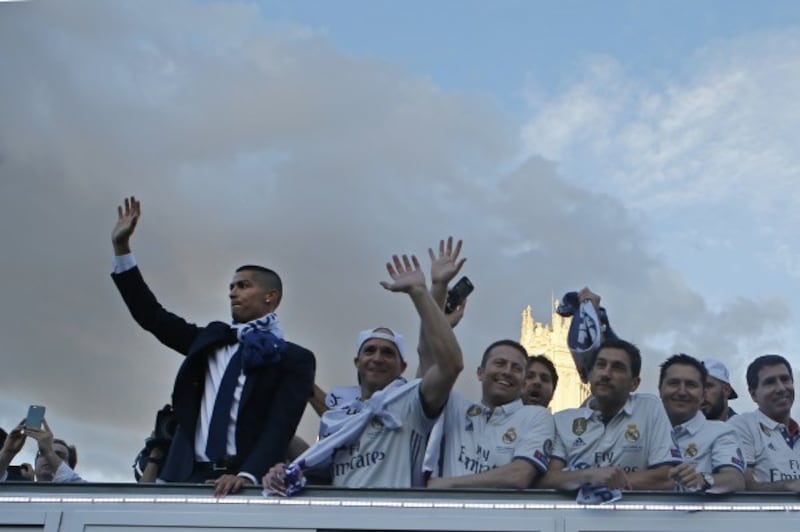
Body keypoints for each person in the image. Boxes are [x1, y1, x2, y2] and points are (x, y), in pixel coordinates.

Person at [110, 196, 315, 496]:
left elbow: (280, 427)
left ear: (270, 296)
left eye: (243, 286)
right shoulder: (210, 340)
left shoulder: (293, 358)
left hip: (244, 482)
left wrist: (247, 475)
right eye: (231, 286)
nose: (233, 292)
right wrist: (121, 249)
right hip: (184, 475)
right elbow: (151, 316)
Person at [263, 253, 463, 494]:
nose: (377, 358)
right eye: (370, 351)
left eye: (388, 353)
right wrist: (281, 467)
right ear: (357, 362)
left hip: (393, 521)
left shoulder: (411, 404)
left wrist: (425, 291)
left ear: (403, 368)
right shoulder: (337, 418)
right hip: (341, 521)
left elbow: (444, 362)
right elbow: (318, 466)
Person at [540, 338, 680, 491]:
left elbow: (668, 477)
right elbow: (547, 479)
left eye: (618, 368)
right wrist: (588, 476)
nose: (606, 374)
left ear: (634, 383)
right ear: (590, 375)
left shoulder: (650, 408)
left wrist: (609, 480)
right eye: (601, 365)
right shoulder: (562, 420)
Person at [425, 340, 554, 489]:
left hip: (497, 512)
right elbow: (429, 370)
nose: (507, 372)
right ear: (480, 373)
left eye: (516, 368)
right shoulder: (455, 406)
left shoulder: (536, 416)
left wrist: (450, 483)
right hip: (448, 512)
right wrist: (441, 323)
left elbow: (519, 476)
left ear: (524, 382)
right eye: (500, 363)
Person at [658, 354, 744, 493]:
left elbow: (735, 480)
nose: (682, 392)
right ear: (659, 388)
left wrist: (703, 480)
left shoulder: (722, 431)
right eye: (674, 383)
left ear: (702, 393)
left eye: (691, 385)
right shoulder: (646, 426)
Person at [728, 354, 800, 491]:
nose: (781, 388)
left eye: (785, 380)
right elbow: (741, 487)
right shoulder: (741, 426)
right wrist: (788, 486)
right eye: (770, 382)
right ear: (753, 394)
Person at [0, 419, 83, 482]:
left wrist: (49, 452)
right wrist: (7, 452)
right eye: (42, 453)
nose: (47, 457)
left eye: (59, 455)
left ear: (70, 468)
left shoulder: (82, 496)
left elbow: (76, 484)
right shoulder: (17, 491)